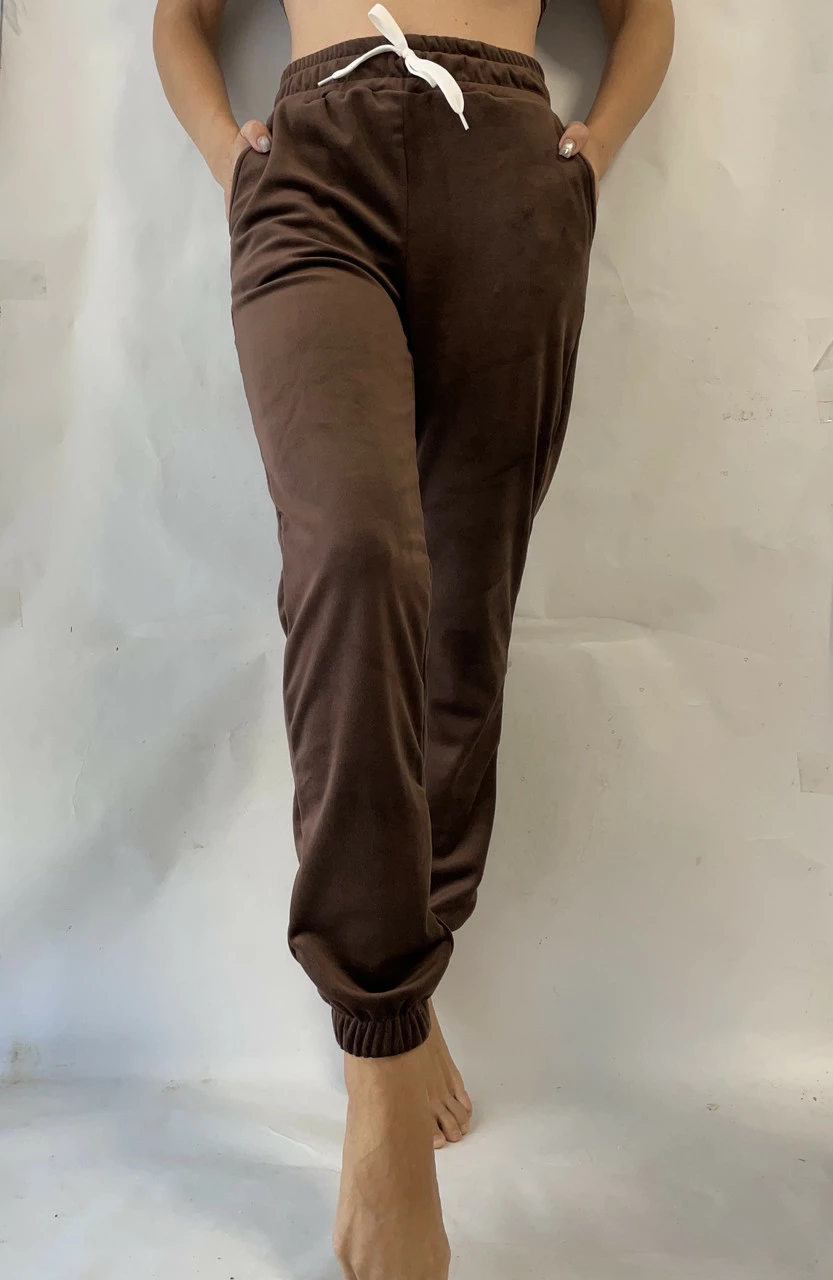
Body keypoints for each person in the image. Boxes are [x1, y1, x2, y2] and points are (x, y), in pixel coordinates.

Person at [152, 1, 674, 1276]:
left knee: (461, 611)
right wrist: (230, 155)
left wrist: (594, 151)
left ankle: (408, 975)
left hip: (504, 168)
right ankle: (378, 1059)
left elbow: (643, 13)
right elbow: (182, 18)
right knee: (352, 555)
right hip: (310, 173)